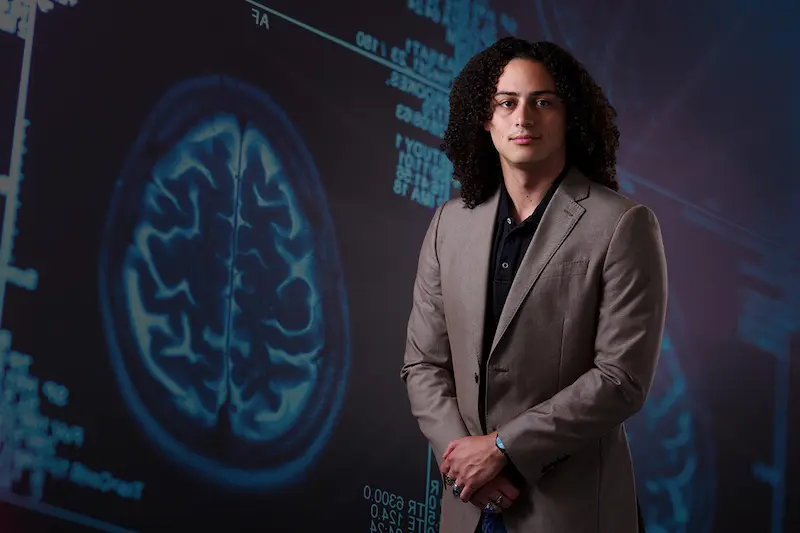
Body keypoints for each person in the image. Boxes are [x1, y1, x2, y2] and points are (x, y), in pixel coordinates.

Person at [400, 37, 668, 533]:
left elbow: (621, 379)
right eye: (506, 103)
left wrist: (502, 449)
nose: (522, 118)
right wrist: (465, 464)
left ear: (570, 118)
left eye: (543, 102)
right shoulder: (448, 224)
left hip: (570, 512)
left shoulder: (623, 224)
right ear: (485, 119)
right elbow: (423, 365)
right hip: (467, 508)